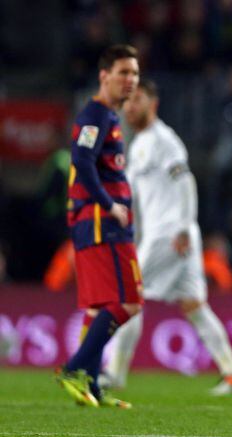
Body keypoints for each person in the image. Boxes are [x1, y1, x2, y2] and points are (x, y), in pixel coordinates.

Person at [98, 79, 232, 396]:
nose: (130, 106)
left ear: (153, 104)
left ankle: (114, 374)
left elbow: (185, 183)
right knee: (194, 305)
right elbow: (140, 201)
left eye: (137, 100)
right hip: (168, 235)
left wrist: (182, 226)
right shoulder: (139, 144)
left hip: (170, 234)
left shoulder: (164, 140)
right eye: (127, 101)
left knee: (128, 295)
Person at [56, 44, 143, 409]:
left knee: (97, 306)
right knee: (128, 302)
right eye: (123, 73)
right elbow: (82, 160)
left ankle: (90, 385)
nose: (131, 81)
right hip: (101, 220)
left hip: (92, 220)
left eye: (135, 74)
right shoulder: (97, 114)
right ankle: (74, 369)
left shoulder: (106, 116)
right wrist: (111, 206)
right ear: (103, 76)